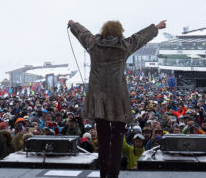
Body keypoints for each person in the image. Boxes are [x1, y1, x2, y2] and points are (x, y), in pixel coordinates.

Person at [68, 19, 166, 178]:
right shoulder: (123, 46)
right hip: (118, 98)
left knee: (103, 138)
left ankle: (103, 173)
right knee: (117, 140)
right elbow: (139, 37)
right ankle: (113, 174)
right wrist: (156, 27)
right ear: (119, 32)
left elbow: (82, 33)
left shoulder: (93, 44)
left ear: (104, 30)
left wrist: (73, 25)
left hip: (98, 97)